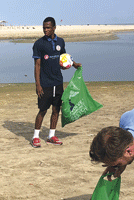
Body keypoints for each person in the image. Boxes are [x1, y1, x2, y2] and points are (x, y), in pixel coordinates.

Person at [31, 16, 81, 148]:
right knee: (42, 110)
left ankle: (51, 136)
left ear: (54, 28)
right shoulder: (39, 44)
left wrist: (74, 64)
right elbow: (37, 65)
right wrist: (38, 85)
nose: (45, 30)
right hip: (45, 83)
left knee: (56, 109)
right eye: (44, 28)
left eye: (48, 27)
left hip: (58, 81)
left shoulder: (61, 42)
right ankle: (35, 137)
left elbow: (64, 58)